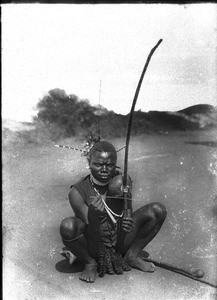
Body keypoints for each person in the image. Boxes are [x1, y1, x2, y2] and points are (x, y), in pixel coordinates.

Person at [60, 140, 167, 283]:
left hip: (121, 239)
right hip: (94, 244)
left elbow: (127, 212)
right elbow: (89, 228)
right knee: (67, 226)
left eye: (109, 165)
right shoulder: (77, 192)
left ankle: (132, 256)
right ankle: (90, 263)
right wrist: (93, 214)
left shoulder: (122, 182)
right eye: (98, 164)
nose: (104, 169)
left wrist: (127, 221)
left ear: (115, 163)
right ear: (89, 162)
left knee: (157, 210)